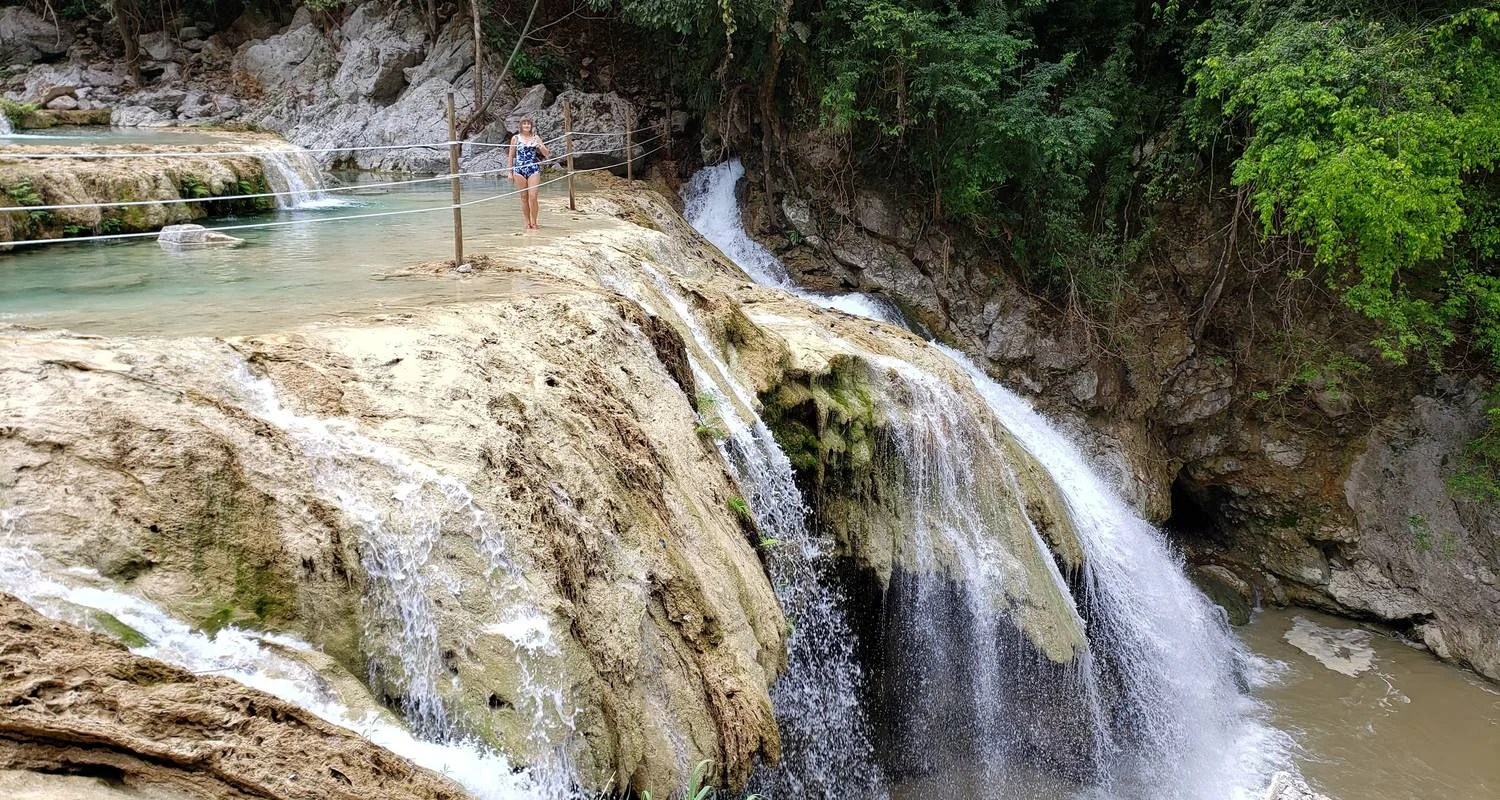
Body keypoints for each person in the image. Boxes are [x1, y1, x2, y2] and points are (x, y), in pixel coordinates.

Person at [506, 118, 551, 230]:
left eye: (528, 124)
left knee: (533, 196)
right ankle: (527, 223)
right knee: (524, 198)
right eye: (524, 124)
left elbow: (546, 154)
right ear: (521, 126)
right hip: (519, 170)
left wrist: (540, 146)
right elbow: (511, 156)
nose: (526, 125)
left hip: (533, 169)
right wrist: (510, 172)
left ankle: (534, 222)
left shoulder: (536, 137)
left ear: (531, 126)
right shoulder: (515, 138)